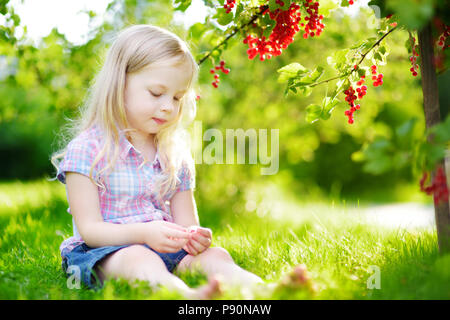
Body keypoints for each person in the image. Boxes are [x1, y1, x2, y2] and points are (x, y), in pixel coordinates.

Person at [51, 24, 309, 299]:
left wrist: (195, 238)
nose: (168, 106)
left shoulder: (173, 154)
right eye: (156, 93)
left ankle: (265, 290)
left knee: (215, 256)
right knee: (139, 259)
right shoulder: (88, 150)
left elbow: (187, 224)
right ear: (119, 82)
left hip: (164, 248)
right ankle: (186, 297)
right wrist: (145, 233)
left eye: (177, 97)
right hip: (104, 252)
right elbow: (91, 231)